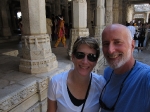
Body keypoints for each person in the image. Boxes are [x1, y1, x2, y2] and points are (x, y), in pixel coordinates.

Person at [100, 24, 150, 112]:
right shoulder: (108, 72)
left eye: (117, 42)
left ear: (132, 45)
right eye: (106, 44)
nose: (110, 50)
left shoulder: (145, 77)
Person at [47, 37, 106, 112]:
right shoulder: (56, 83)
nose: (85, 61)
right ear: (73, 57)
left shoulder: (101, 84)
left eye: (91, 57)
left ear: (96, 61)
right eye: (80, 55)